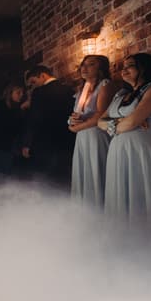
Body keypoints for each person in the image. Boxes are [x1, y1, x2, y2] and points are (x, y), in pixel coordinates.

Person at [98, 53, 151, 229]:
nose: (124, 70)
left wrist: (125, 122)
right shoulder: (121, 95)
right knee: (120, 195)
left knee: (144, 194)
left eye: (130, 65)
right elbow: (100, 121)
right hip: (118, 151)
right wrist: (125, 122)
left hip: (142, 149)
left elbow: (130, 122)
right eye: (123, 66)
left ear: (145, 67)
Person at [68, 55, 118, 207]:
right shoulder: (82, 89)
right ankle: (86, 211)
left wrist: (74, 128)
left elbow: (100, 115)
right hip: (82, 137)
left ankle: (101, 208)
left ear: (100, 68)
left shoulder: (105, 85)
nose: (84, 68)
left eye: (91, 64)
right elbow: (77, 114)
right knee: (84, 173)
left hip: (97, 134)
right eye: (83, 65)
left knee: (97, 171)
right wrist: (71, 121)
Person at [21, 65, 76, 188]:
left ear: (43, 75)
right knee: (65, 179)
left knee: (47, 182)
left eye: (33, 82)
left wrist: (27, 143)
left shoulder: (39, 93)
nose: (33, 86)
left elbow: (34, 120)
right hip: (67, 141)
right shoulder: (68, 90)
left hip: (45, 144)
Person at [0, 82, 25, 176]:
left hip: (9, 147)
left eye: (22, 93)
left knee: (6, 173)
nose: (21, 95)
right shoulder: (0, 105)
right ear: (10, 93)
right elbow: (6, 125)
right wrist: (21, 111)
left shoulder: (17, 107)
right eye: (18, 93)